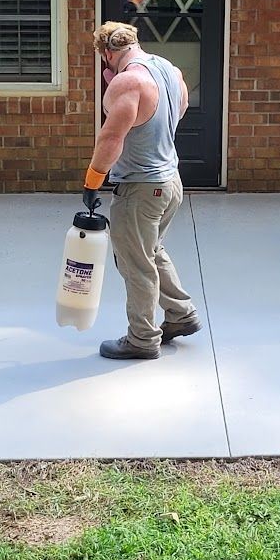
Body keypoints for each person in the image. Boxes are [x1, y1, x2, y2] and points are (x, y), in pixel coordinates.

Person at [83, 21, 202, 360]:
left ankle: (141, 339)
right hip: (169, 182)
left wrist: (92, 182)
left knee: (136, 264)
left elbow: (110, 139)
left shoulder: (128, 82)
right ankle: (181, 314)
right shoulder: (166, 68)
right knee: (152, 251)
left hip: (140, 188)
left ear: (107, 53)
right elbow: (179, 107)